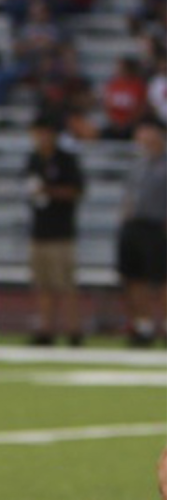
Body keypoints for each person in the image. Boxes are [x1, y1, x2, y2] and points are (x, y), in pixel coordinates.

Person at [24, 114, 86, 346]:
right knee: (42, 285)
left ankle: (74, 330)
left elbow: (76, 191)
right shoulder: (33, 159)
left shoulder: (66, 160)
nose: (40, 138)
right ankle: (46, 328)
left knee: (66, 284)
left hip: (61, 233)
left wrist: (48, 192)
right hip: (39, 231)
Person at [116, 114, 166, 347]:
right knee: (134, 278)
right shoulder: (138, 163)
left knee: (163, 280)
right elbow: (129, 196)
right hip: (135, 226)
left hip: (159, 227)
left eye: (146, 130)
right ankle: (143, 326)